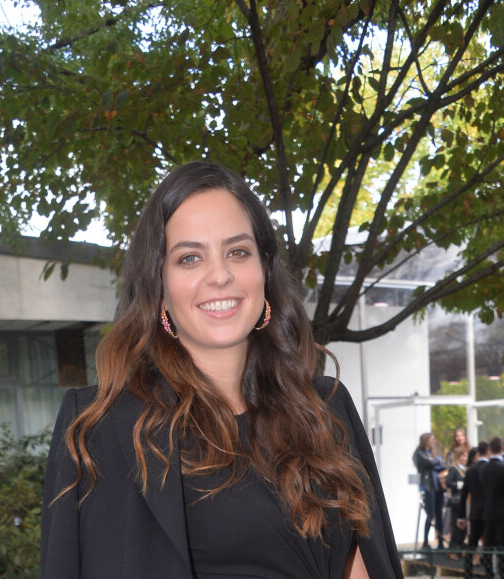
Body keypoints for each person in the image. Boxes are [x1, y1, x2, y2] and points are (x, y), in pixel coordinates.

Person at [40, 161, 403, 579]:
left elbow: (362, 564)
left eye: (237, 251)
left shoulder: (326, 407)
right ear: (158, 286)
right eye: (190, 258)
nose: (220, 275)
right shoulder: (100, 427)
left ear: (264, 268)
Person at [457, 441, 489, 569]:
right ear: (488, 452)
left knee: (472, 544)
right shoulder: (492, 468)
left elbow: (463, 495)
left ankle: (468, 572)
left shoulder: (470, 471)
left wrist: (461, 516)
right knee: (489, 546)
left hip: (475, 512)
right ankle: (489, 572)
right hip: (489, 513)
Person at [413, 433, 446, 550]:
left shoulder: (432, 453)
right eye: (432, 439)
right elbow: (430, 463)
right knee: (430, 514)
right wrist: (437, 461)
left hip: (438, 488)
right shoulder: (419, 453)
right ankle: (425, 541)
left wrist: (436, 462)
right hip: (428, 487)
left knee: (439, 514)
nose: (434, 441)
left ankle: (441, 541)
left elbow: (442, 464)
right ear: (426, 440)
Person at [480, 436, 504, 578]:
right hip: (502, 515)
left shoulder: (483, 469)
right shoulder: (502, 468)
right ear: (502, 448)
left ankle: (489, 574)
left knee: (488, 547)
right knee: (501, 547)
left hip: (488, 513)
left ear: (489, 449)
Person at [445, 446, 468, 559]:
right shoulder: (454, 469)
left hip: (463, 502)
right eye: (463, 455)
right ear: (458, 457)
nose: (465, 458)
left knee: (463, 527)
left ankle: (460, 547)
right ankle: (452, 550)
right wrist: (458, 485)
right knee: (456, 527)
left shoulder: (465, 469)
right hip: (456, 501)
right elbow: (448, 482)